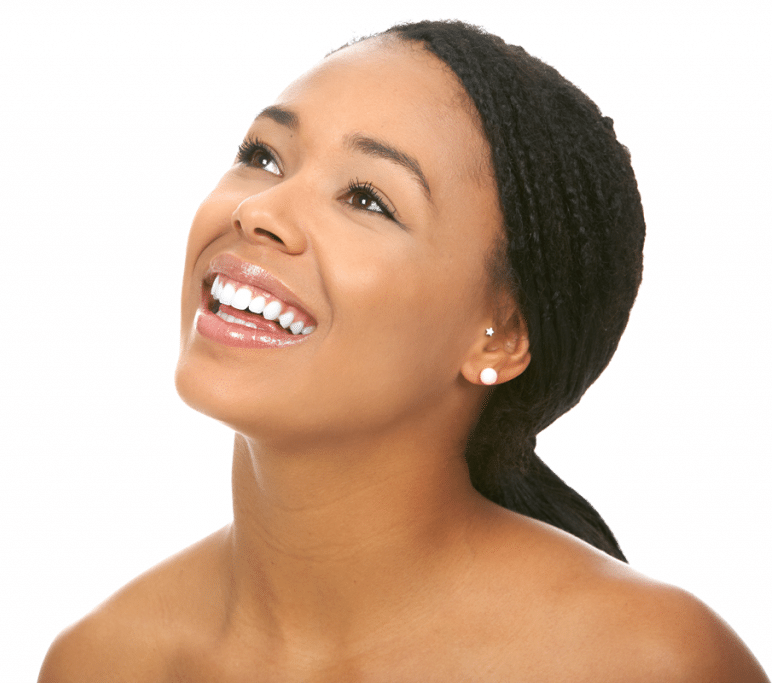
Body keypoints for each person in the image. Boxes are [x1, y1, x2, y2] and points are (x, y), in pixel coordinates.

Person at [39, 20, 768, 681]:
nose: (258, 210)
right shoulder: (101, 662)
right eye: (263, 155)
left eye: (366, 199)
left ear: (502, 334)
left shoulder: (643, 663)